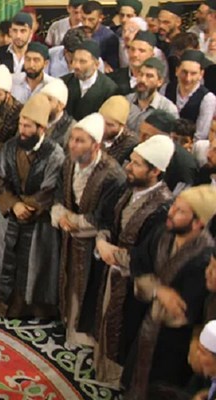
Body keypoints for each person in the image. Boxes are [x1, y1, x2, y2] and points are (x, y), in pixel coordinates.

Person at [92, 135, 174, 386]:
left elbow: (150, 257)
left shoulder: (163, 209)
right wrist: (102, 240)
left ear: (155, 171)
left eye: (137, 164)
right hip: (113, 269)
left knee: (123, 331)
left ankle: (116, 378)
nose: (128, 167)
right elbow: (108, 221)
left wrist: (112, 253)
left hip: (134, 282)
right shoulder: (128, 189)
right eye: (131, 161)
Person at [121, 185, 216, 398]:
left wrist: (151, 288)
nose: (171, 212)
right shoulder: (163, 233)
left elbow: (182, 311)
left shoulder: (204, 259)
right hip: (145, 324)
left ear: (198, 223)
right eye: (174, 206)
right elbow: (138, 262)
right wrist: (158, 290)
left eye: (180, 211)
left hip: (173, 344)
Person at [0, 93, 65, 318]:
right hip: (10, 212)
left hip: (38, 218)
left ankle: (29, 309)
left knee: (34, 265)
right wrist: (14, 205)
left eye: (28, 126)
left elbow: (50, 189)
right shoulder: (11, 146)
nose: (22, 130)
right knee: (1, 256)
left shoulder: (55, 153)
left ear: (42, 128)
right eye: (21, 124)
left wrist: (26, 207)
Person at [51, 112, 126, 346]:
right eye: (72, 139)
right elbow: (59, 195)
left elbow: (105, 217)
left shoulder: (112, 174)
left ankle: (82, 335)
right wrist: (61, 217)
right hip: (69, 235)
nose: (73, 145)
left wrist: (74, 221)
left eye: (80, 141)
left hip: (93, 241)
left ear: (95, 145)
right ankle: (66, 322)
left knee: (86, 289)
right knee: (67, 280)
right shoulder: (68, 163)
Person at [139, 110, 199, 193]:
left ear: (167, 138)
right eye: (140, 133)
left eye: (147, 136)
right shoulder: (139, 149)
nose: (140, 140)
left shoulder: (184, 164)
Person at [164, 50, 216, 141]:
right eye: (184, 72)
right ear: (177, 71)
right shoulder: (166, 89)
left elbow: (200, 135)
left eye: (193, 73)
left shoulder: (207, 99)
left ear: (201, 74)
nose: (188, 78)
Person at [62, 40, 118, 120]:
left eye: (82, 61)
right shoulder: (64, 82)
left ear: (96, 64)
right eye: (74, 60)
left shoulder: (109, 89)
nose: (76, 65)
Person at [126, 57, 178, 132]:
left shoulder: (167, 109)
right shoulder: (126, 101)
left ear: (160, 81)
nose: (142, 80)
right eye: (140, 74)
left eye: (149, 76)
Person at [109, 31, 157, 95]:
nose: (135, 54)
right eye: (132, 49)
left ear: (152, 55)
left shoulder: (155, 83)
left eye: (141, 51)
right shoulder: (112, 79)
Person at [100, 95, 140, 165]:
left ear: (122, 125)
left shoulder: (131, 143)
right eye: (102, 122)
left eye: (110, 125)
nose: (104, 127)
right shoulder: (93, 131)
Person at [81, 1, 120, 71]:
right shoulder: (74, 33)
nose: (86, 23)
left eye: (91, 20)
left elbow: (111, 67)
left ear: (100, 18)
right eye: (83, 19)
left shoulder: (109, 37)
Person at [41, 79, 76, 148]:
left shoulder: (71, 128)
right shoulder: (33, 118)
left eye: (49, 99)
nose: (44, 103)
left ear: (60, 105)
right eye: (42, 98)